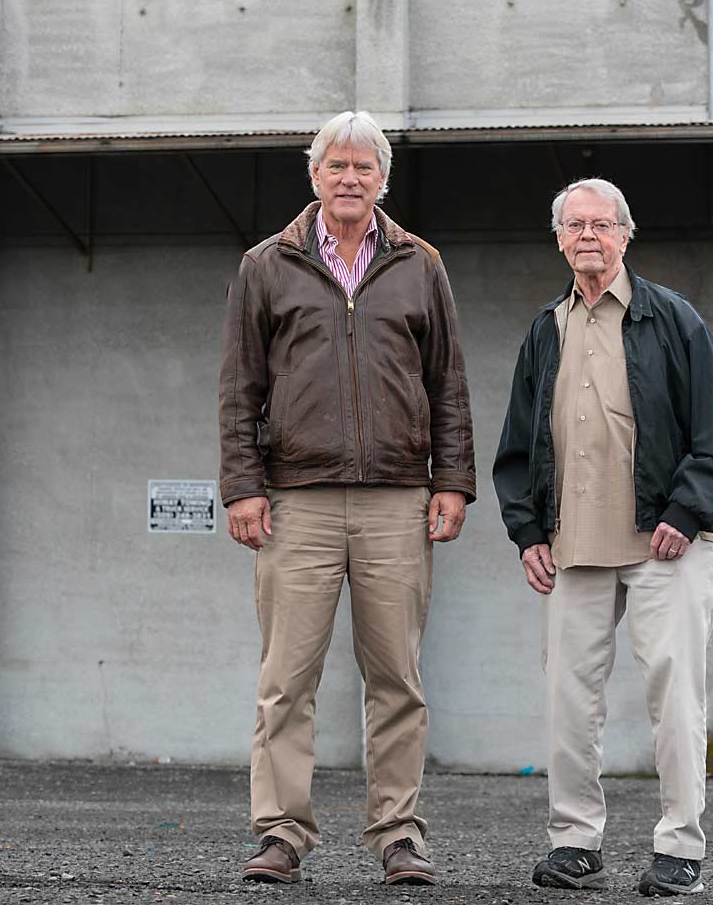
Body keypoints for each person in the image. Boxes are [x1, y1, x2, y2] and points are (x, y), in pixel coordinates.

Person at [218, 110, 476, 887]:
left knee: (397, 677)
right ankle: (281, 834)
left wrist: (452, 482)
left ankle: (399, 834)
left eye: (365, 168)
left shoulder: (421, 264)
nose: (351, 179)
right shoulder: (267, 264)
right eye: (337, 166)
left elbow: (449, 385)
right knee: (286, 680)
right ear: (315, 175)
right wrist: (242, 487)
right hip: (297, 502)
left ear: (383, 179)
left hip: (398, 501)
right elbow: (240, 387)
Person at [493, 178, 713, 897]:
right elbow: (516, 447)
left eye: (603, 224)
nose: (589, 237)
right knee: (569, 699)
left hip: (666, 543)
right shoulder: (546, 329)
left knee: (677, 697)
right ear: (560, 239)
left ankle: (680, 848)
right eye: (576, 226)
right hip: (573, 547)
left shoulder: (675, 321)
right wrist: (528, 531)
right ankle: (574, 843)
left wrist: (685, 513)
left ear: (626, 235)